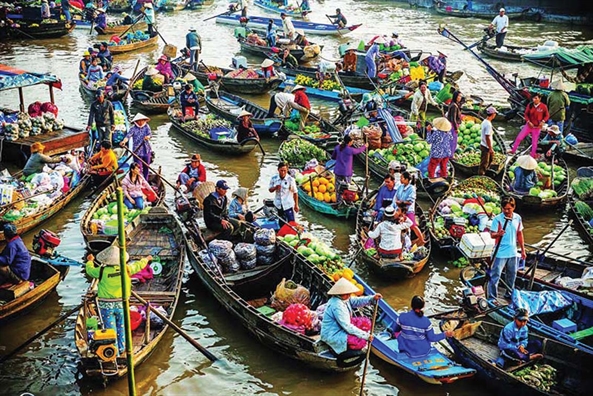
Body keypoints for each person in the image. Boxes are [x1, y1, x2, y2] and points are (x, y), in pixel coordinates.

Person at [85, 247, 152, 356]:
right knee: (122, 326)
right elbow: (138, 265)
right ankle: (121, 347)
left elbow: (90, 271)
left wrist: (90, 261)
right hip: (121, 304)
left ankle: (114, 351)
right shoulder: (126, 269)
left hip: (106, 306)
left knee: (110, 328)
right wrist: (146, 259)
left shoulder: (101, 271)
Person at [320, 278, 381, 358]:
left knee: (365, 322)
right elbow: (347, 326)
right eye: (346, 294)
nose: (349, 295)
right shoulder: (337, 306)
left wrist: (372, 298)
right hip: (333, 333)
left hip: (340, 326)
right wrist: (365, 336)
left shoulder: (345, 299)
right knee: (358, 341)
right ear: (339, 294)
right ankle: (336, 350)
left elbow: (356, 301)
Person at [488, 196, 526, 300]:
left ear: (513, 208)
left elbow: (519, 234)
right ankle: (492, 298)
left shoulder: (517, 218)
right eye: (504, 208)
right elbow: (492, 235)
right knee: (495, 276)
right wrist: (498, 234)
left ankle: (509, 294)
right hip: (500, 253)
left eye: (509, 209)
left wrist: (523, 250)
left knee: (512, 275)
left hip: (512, 252)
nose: (506, 211)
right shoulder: (498, 219)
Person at [509, 93, 549, 158]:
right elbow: (526, 114)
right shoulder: (530, 105)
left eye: (536, 98)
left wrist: (543, 121)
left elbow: (547, 115)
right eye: (533, 98)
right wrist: (528, 121)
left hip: (537, 127)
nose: (534, 100)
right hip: (529, 125)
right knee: (519, 138)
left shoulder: (543, 106)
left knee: (534, 142)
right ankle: (513, 151)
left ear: (539, 99)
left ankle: (532, 155)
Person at [331, 135, 367, 204]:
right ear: (349, 142)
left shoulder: (337, 147)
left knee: (338, 188)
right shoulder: (350, 150)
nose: (352, 143)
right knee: (348, 188)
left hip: (338, 171)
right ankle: (347, 201)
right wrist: (365, 146)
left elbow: (333, 157)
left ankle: (339, 202)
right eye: (352, 141)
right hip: (346, 173)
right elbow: (358, 151)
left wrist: (339, 157)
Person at [120, 113, 153, 179]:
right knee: (138, 169)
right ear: (136, 121)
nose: (141, 122)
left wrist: (148, 137)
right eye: (139, 121)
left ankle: (145, 181)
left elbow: (150, 135)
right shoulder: (133, 128)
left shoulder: (146, 126)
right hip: (137, 151)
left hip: (146, 150)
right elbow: (128, 136)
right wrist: (124, 141)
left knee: (146, 167)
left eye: (142, 120)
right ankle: (139, 182)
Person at [479, 106, 498, 176]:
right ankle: (481, 175)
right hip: (486, 146)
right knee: (484, 163)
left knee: (490, 160)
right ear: (493, 114)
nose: (495, 115)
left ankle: (486, 172)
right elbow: (487, 137)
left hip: (484, 144)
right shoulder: (488, 124)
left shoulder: (485, 121)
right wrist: (490, 148)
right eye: (495, 114)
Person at [446, 90, 463, 154]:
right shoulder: (454, 106)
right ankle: (451, 155)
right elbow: (453, 118)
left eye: (460, 96)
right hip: (452, 125)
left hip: (451, 124)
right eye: (459, 96)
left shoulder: (454, 104)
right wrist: (456, 128)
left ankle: (449, 153)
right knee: (453, 141)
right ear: (455, 96)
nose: (460, 98)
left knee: (451, 140)